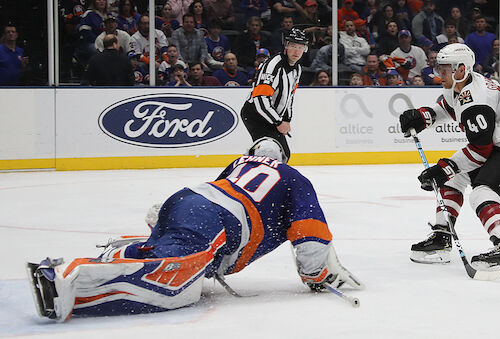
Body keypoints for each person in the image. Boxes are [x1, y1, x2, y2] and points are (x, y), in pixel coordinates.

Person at [26, 138, 364, 322]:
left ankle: (123, 251)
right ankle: (68, 282)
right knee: (172, 287)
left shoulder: (240, 163)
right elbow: (310, 232)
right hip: (216, 220)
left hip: (186, 198)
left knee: (170, 250)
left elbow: (216, 190)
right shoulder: (294, 178)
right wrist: (316, 275)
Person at [398, 44, 500, 272]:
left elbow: (479, 151)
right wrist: (422, 117)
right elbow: (447, 108)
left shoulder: (478, 102)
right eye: (440, 68)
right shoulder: (460, 85)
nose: (439, 74)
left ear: (461, 69)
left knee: (482, 192)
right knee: (453, 179)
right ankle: (442, 236)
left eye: (444, 69)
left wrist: (444, 168)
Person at [240, 28, 308, 160]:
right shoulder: (272, 66)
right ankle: (249, 170)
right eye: (293, 46)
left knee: (282, 154)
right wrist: (278, 122)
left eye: (300, 47)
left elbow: (289, 98)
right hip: (256, 115)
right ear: (286, 46)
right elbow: (260, 99)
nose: (296, 51)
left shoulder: (297, 69)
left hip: (271, 116)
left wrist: (286, 120)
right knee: (273, 153)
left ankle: (253, 168)